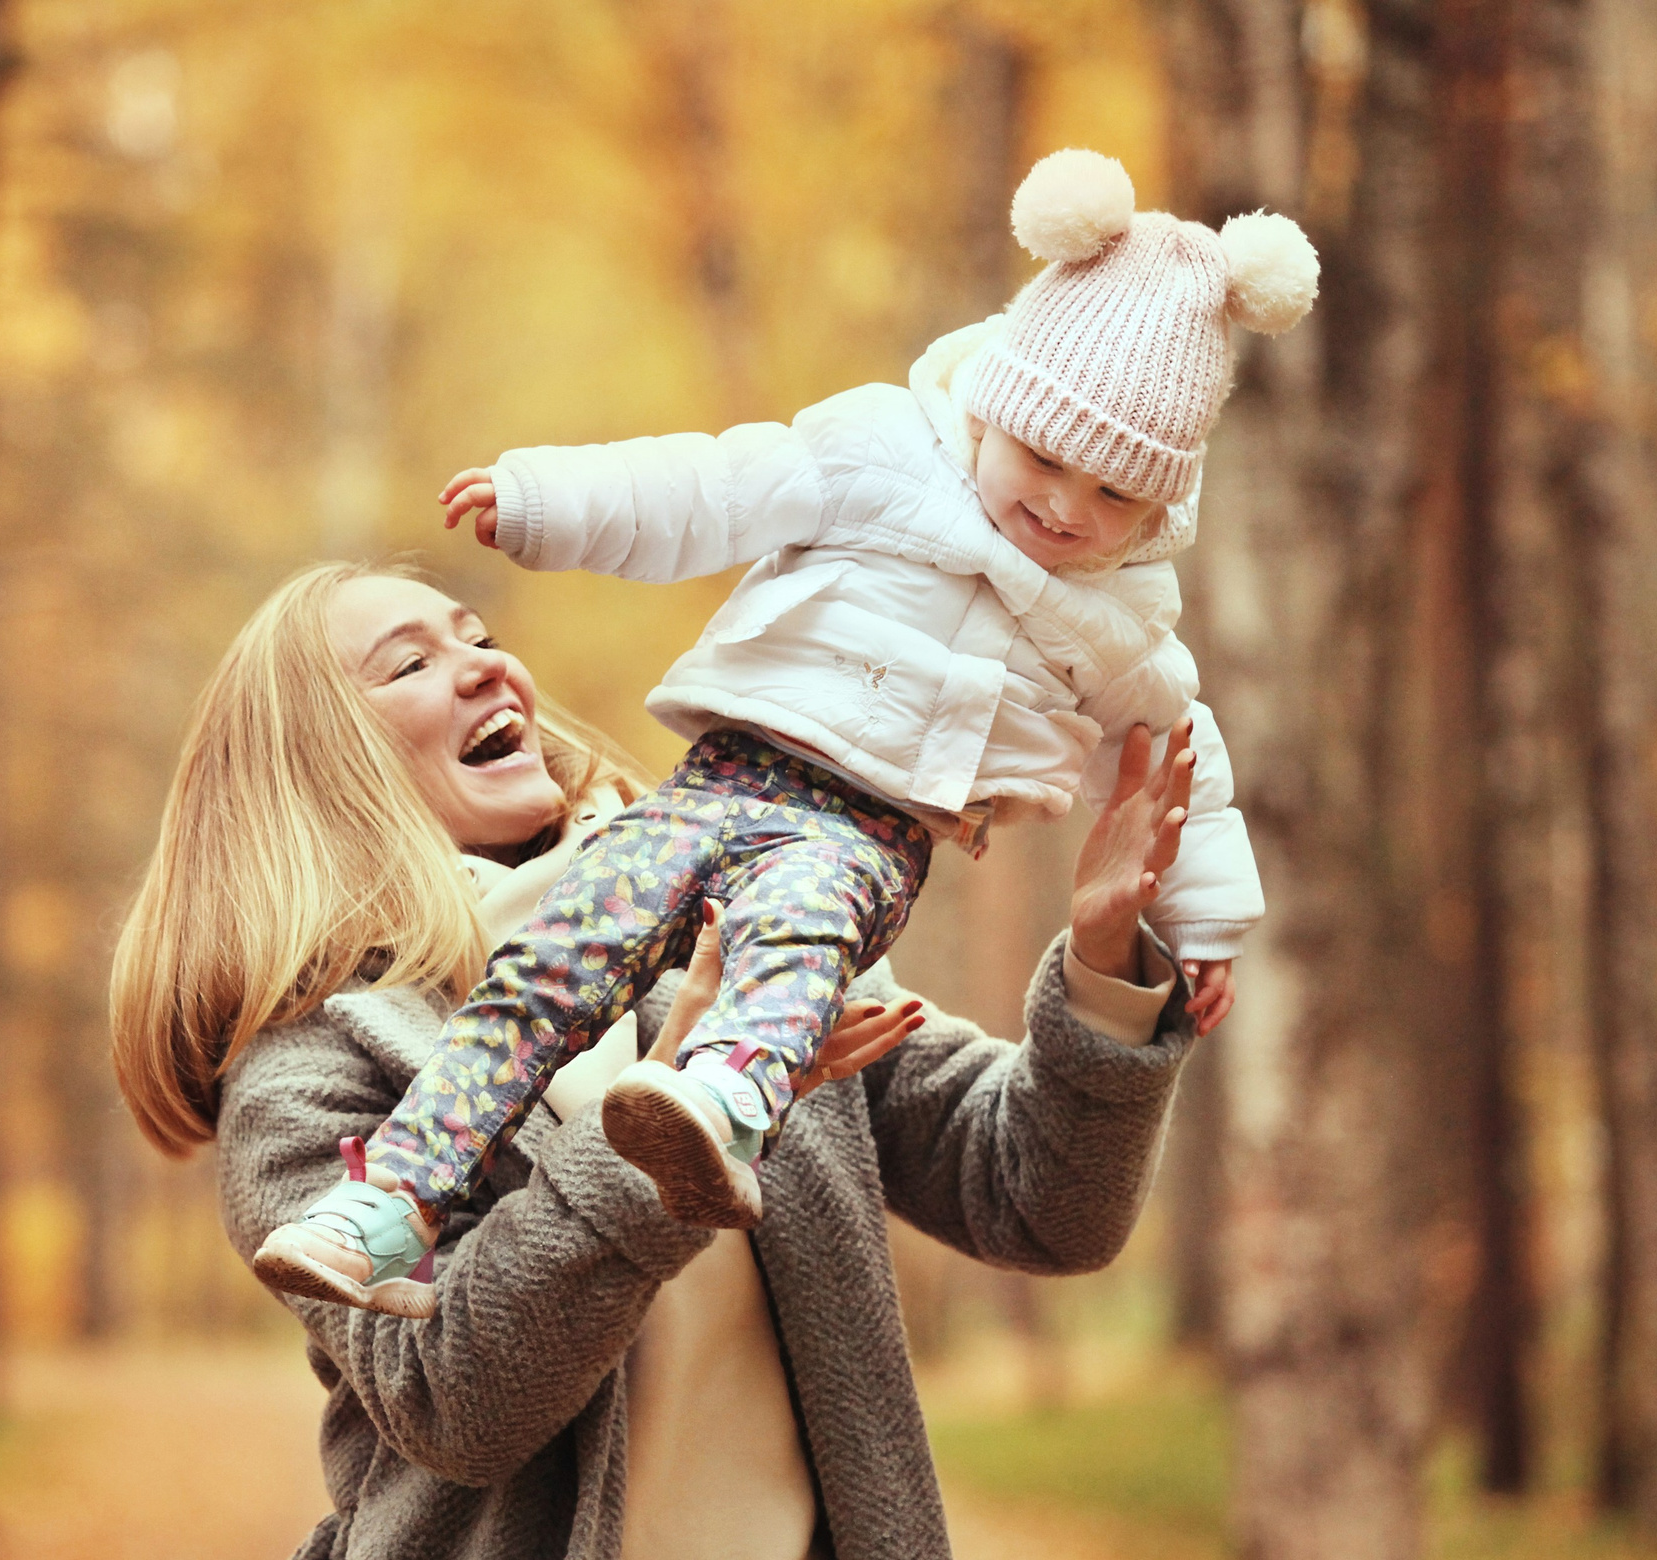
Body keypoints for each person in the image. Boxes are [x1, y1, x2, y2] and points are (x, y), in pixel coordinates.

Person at [110, 559, 1206, 1560]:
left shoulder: (742, 913)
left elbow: (1037, 1200)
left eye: (476, 635)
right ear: (315, 768)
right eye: (412, 663)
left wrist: (1104, 971)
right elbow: (450, 1396)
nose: (486, 666)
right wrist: (663, 1129)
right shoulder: (310, 1069)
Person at [252, 150, 1316, 1315]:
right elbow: (712, 489)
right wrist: (549, 504)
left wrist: (1189, 927)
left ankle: (721, 1104)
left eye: (1115, 496)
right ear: (992, 406)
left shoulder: (1121, 623)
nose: (1064, 508)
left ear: (1160, 508)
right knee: (550, 969)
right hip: (713, 784)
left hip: (859, 835)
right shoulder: (878, 455)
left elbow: (1179, 770)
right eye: (1045, 459)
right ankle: (386, 1204)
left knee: (799, 942)